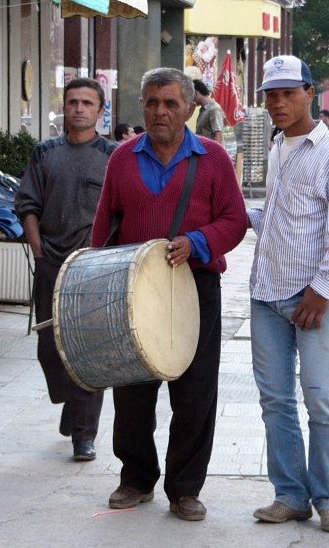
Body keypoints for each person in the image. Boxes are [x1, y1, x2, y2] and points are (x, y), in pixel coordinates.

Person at [91, 67, 247, 522]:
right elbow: (105, 225)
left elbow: (235, 221)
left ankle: (185, 489)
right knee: (133, 387)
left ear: (189, 108)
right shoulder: (122, 158)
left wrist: (197, 242)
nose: (160, 111)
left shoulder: (213, 159)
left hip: (195, 287)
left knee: (195, 391)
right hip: (133, 290)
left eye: (170, 103)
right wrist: (96, 282)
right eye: (152, 103)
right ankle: (136, 478)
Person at [248, 54, 329, 533]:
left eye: (288, 93)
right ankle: (290, 495)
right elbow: (279, 220)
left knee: (320, 398)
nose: (278, 103)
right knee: (275, 400)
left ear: (309, 93)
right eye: (271, 95)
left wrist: (321, 291)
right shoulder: (276, 148)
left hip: (313, 297)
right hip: (266, 294)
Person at [15, 78, 116, 461]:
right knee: (50, 349)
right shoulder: (45, 153)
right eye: (72, 102)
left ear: (100, 110)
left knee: (89, 349)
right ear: (64, 107)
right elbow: (27, 206)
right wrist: (40, 253)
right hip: (51, 264)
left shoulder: (113, 156)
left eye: (87, 103)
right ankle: (71, 404)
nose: (78, 109)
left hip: (95, 268)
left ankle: (83, 435)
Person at [192, 79, 225, 143]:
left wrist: (215, 152)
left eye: (191, 96)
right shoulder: (203, 109)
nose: (191, 100)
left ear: (195, 93)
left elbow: (218, 135)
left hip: (212, 151)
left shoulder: (214, 108)